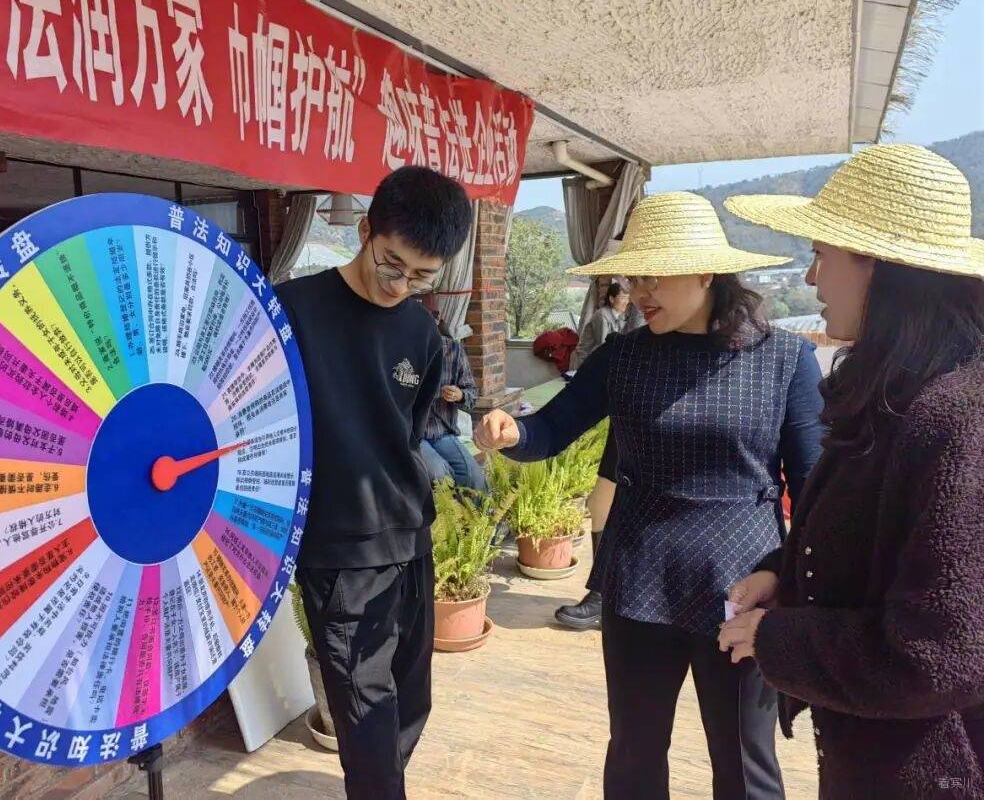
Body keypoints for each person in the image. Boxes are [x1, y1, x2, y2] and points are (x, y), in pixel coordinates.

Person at [475, 191, 825, 800]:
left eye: (656, 275)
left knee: (745, 760)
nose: (640, 291)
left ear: (707, 272)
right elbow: (550, 430)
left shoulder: (784, 359)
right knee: (635, 750)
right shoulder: (624, 356)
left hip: (744, 582)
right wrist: (511, 434)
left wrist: (793, 583)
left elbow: (814, 485)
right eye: (634, 276)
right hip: (640, 576)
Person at [718, 144, 984, 799]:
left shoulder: (956, 416)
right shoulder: (897, 391)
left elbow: (941, 652)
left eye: (821, 254)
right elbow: (870, 544)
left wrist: (778, 639)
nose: (812, 278)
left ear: (878, 268)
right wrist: (783, 575)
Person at [278, 167, 473, 800]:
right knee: (367, 721)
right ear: (365, 231)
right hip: (339, 550)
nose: (401, 285)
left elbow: (409, 435)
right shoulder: (291, 310)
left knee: (412, 702)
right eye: (392, 264)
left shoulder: (419, 331)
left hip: (411, 538)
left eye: (422, 276)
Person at [556, 282, 644, 630]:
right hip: (628, 413)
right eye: (635, 284)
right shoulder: (621, 332)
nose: (640, 293)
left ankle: (613, 595)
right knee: (601, 500)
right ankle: (602, 593)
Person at [419, 318, 487, 491]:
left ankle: (477, 509)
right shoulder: (403, 350)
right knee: (439, 475)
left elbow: (472, 395)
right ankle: (450, 507)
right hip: (414, 435)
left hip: (444, 431)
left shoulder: (454, 350)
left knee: (474, 476)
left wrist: (460, 395)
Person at [570, 280, 642, 370]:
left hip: (601, 360)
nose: (626, 302)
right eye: (623, 298)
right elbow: (603, 344)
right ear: (611, 299)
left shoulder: (621, 316)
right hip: (584, 361)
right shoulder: (601, 315)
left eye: (628, 298)